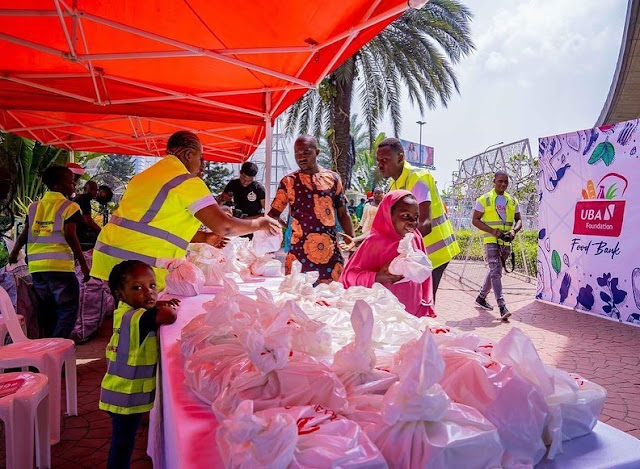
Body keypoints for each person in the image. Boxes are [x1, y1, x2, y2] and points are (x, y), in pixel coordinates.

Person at [90, 131, 280, 289]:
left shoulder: (144, 177)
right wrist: (260, 223)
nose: (201, 164)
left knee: (125, 320)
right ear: (189, 155)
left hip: (110, 258)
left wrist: (205, 238)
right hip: (140, 266)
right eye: (200, 157)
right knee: (138, 327)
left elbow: (157, 227)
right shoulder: (184, 180)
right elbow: (225, 227)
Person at [100, 260, 179, 469]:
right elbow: (168, 316)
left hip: (120, 392)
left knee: (124, 439)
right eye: (138, 287)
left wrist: (156, 304)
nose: (149, 293)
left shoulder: (124, 312)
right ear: (120, 294)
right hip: (125, 397)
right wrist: (162, 307)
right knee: (123, 443)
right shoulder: (136, 318)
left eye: (153, 286)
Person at [9, 166, 90, 338]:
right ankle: (57, 348)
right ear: (59, 185)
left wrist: (14, 252)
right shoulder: (70, 207)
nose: (74, 185)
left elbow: (25, 233)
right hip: (60, 267)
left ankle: (46, 349)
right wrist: (83, 265)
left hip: (37, 268)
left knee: (46, 310)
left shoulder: (34, 207)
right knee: (67, 309)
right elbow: (70, 235)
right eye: (71, 182)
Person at [376, 137, 460, 299]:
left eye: (385, 160)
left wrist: (393, 248)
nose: (380, 165)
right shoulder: (394, 186)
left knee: (423, 303)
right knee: (415, 303)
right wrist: (360, 240)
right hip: (418, 255)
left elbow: (425, 225)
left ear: (400, 158)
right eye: (379, 160)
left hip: (435, 254)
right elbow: (386, 226)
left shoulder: (418, 178)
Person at [268, 134, 354, 283]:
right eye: (297, 153)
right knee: (298, 299)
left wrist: (352, 243)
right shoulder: (288, 182)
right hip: (298, 256)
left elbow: (343, 213)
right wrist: (264, 243)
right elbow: (273, 214)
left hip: (331, 254)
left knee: (331, 300)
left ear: (317, 152)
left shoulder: (333, 179)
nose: (301, 157)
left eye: (306, 152)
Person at [340, 190, 435, 318]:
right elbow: (349, 276)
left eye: (416, 217)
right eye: (406, 216)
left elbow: (425, 273)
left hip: (412, 313)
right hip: (381, 317)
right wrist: (377, 277)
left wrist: (426, 305)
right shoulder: (375, 242)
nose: (413, 222)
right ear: (388, 214)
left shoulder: (415, 237)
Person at [472, 171, 522, 320]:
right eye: (500, 181)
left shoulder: (512, 200)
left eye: (506, 182)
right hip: (491, 240)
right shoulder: (484, 199)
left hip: (506, 241)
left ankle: (481, 297)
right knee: (496, 272)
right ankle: (502, 306)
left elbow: (519, 220)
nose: (503, 184)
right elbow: (475, 220)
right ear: (494, 181)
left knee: (495, 270)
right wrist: (492, 231)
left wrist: (514, 230)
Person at [73, 180, 102, 250]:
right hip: (78, 234)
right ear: (86, 189)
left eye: (97, 190)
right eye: (93, 189)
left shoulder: (80, 198)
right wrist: (101, 231)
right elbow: (88, 221)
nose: (96, 192)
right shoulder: (84, 200)